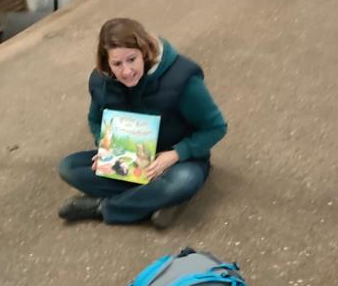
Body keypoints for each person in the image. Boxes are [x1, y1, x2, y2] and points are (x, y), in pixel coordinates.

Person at [57, 18, 227, 228]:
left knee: (182, 181)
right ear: (106, 62)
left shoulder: (183, 77)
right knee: (68, 167)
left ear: (144, 52)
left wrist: (176, 154)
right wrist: (105, 147)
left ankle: (103, 207)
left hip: (178, 161)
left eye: (132, 59)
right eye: (117, 64)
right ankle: (153, 201)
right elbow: (95, 119)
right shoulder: (101, 81)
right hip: (130, 158)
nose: (126, 71)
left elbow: (216, 127)